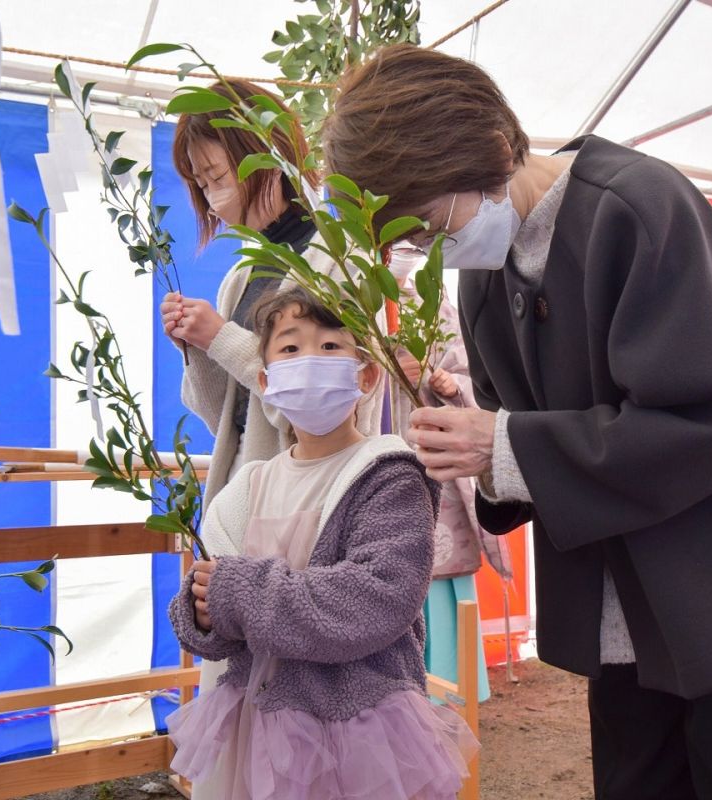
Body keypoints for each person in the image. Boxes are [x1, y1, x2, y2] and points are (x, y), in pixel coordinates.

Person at [321, 44, 712, 799]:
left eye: (428, 221)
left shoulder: (638, 207)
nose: (429, 249)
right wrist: (473, 438)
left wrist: (509, 442)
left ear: (491, 146)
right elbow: (516, 444)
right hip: (631, 618)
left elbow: (706, 418)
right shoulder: (483, 280)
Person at [160, 81, 383, 799]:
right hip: (243, 495)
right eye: (200, 183)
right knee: (241, 700)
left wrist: (222, 338)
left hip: (305, 507)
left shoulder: (329, 259)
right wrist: (198, 346)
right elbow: (218, 410)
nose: (212, 196)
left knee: (300, 700)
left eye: (217, 176)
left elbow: (316, 399)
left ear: (264, 158)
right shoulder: (236, 276)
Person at [166, 287, 478, 799]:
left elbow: (377, 598)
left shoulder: (387, 472)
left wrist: (239, 592)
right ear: (264, 380)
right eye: (290, 348)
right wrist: (203, 613)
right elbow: (211, 598)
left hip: (354, 727)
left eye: (331, 347)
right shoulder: (248, 486)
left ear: (367, 374)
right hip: (255, 721)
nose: (310, 359)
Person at [386, 245, 506, 702]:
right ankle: (397, 698)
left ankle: (452, 694)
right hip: (379, 455)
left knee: (440, 579)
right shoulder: (348, 301)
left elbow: (473, 376)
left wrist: (449, 385)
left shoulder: (429, 299)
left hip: (431, 465)